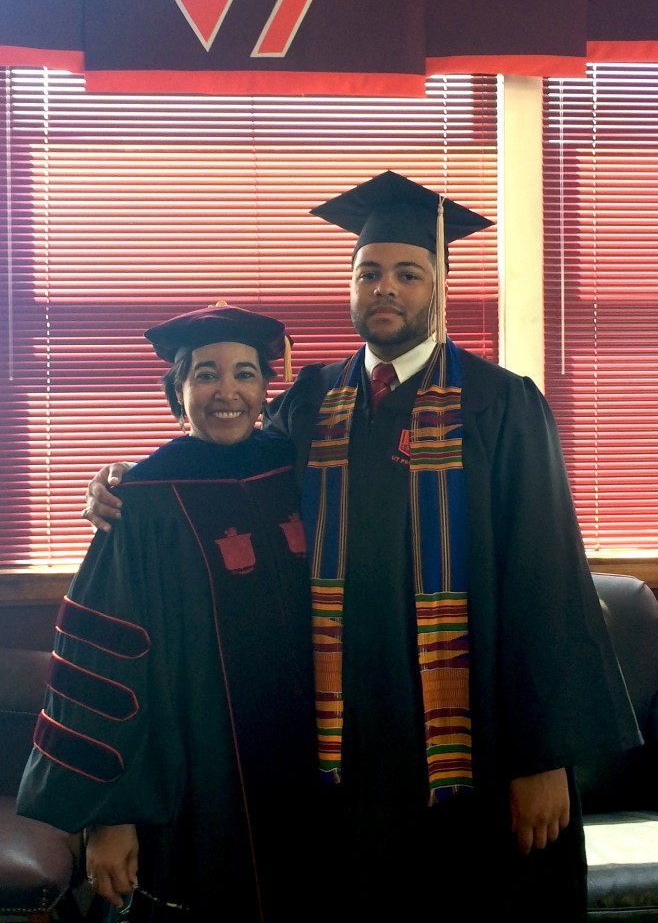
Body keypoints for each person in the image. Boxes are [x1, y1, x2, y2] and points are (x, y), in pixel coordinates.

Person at [82, 172, 641, 922]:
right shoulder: (311, 403)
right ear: (349, 284)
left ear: (438, 287)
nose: (387, 288)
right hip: (337, 745)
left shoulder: (500, 404)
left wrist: (544, 759)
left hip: (467, 744)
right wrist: (122, 482)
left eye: (409, 273)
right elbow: (223, 459)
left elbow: (550, 584)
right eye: (369, 271)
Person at [17, 305, 317, 923]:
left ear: (267, 389)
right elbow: (102, 666)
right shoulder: (144, 501)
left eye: (245, 373)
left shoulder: (300, 472)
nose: (226, 391)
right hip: (194, 780)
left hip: (309, 764)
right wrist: (110, 813)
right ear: (177, 392)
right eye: (205, 374)